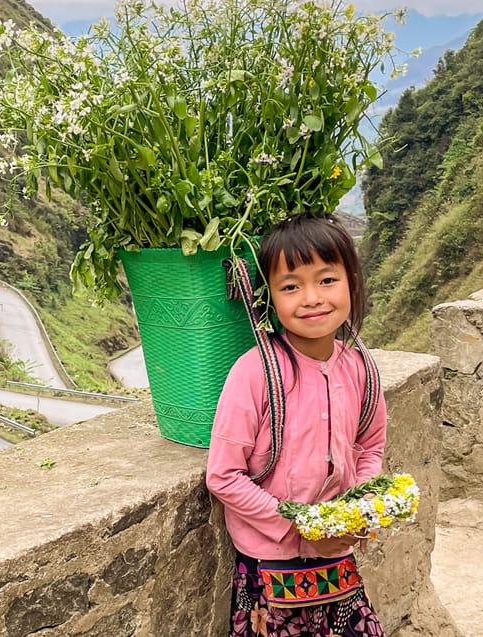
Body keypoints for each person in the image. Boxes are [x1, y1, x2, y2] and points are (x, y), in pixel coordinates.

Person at [206, 213, 388, 637]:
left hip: (337, 562)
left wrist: (354, 511)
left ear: (352, 283)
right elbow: (224, 475)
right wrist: (304, 527)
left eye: (327, 280)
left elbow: (370, 446)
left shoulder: (360, 367)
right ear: (269, 298)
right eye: (290, 286)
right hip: (272, 568)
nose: (311, 298)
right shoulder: (255, 374)